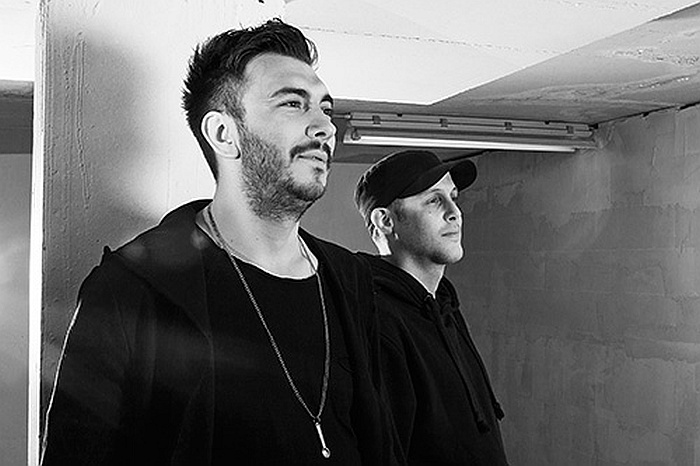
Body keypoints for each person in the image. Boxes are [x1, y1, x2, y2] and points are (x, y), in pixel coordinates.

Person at [42, 19, 402, 465]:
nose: (325, 127)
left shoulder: (351, 280)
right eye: (293, 103)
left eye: (325, 109)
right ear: (223, 134)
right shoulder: (133, 289)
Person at [354, 149, 509, 465]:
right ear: (385, 221)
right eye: (434, 200)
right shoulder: (380, 323)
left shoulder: (443, 304)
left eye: (453, 197)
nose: (455, 213)